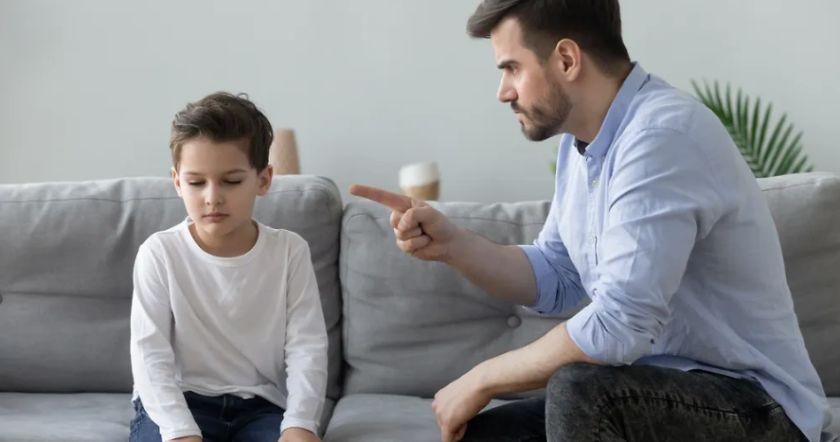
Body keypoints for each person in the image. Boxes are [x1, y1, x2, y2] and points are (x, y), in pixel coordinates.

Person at [350, 1, 833, 441]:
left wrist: (482, 377)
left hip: (758, 409)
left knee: (582, 391)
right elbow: (558, 277)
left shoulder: (662, 136)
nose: (503, 92)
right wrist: (453, 244)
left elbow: (620, 325)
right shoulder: (580, 147)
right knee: (486, 435)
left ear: (566, 59)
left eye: (512, 67)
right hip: (656, 394)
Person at [129, 92, 328, 442]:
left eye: (232, 181)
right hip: (178, 404)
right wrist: (180, 432)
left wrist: (300, 423)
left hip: (263, 408)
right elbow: (150, 355)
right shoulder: (159, 253)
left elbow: (307, 348)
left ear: (263, 180)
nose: (212, 197)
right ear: (177, 182)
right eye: (196, 182)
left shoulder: (289, 251)